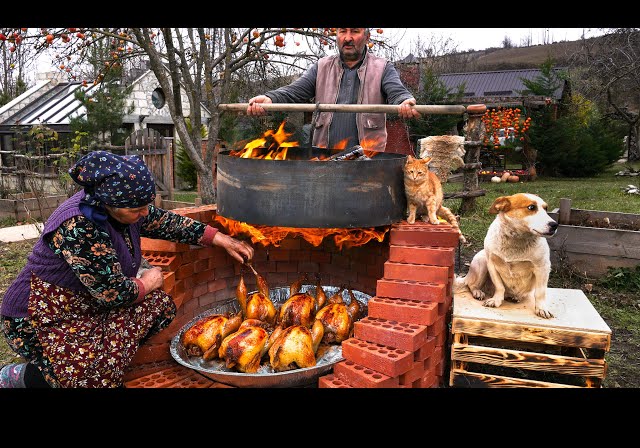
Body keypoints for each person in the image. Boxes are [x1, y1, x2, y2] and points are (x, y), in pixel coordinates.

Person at [0, 150, 254, 388]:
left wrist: (220, 238)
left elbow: (166, 222)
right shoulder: (79, 226)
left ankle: (100, 358)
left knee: (159, 307)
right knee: (89, 379)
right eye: (136, 210)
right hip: (40, 315)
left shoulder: (124, 207)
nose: (144, 213)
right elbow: (113, 294)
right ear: (108, 203)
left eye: (146, 205)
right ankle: (22, 376)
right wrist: (149, 281)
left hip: (88, 305)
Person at [247, 27, 421, 152]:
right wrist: (269, 99)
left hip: (368, 160)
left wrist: (404, 101)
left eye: (354, 31)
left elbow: (396, 91)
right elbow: (294, 91)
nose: (347, 37)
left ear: (367, 37)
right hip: (325, 157)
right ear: (336, 35)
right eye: (342, 31)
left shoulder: (383, 67)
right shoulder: (321, 66)